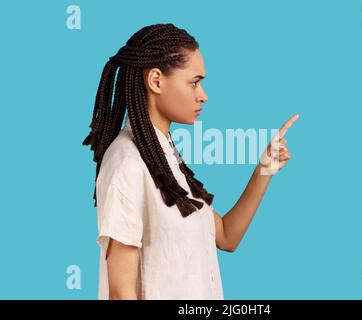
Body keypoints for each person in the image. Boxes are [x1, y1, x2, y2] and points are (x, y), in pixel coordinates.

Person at [82, 23, 299, 300]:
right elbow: (121, 293)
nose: (203, 95)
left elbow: (225, 236)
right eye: (194, 82)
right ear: (156, 81)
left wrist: (264, 170)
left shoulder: (164, 157)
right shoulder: (127, 163)